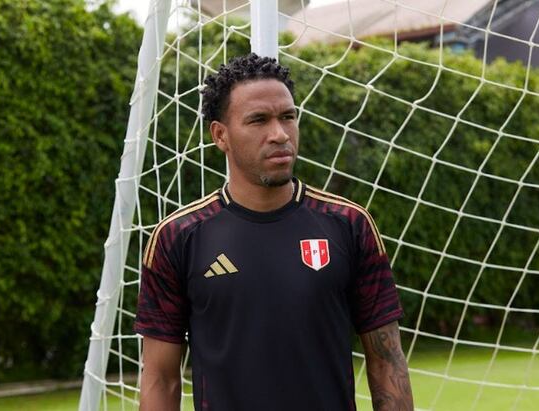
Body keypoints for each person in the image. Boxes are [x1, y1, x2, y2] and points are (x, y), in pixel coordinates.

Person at [134, 53, 414, 411]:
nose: (280, 134)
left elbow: (387, 361)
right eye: (258, 120)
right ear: (220, 135)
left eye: (288, 117)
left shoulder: (348, 224)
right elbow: (161, 379)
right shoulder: (178, 237)